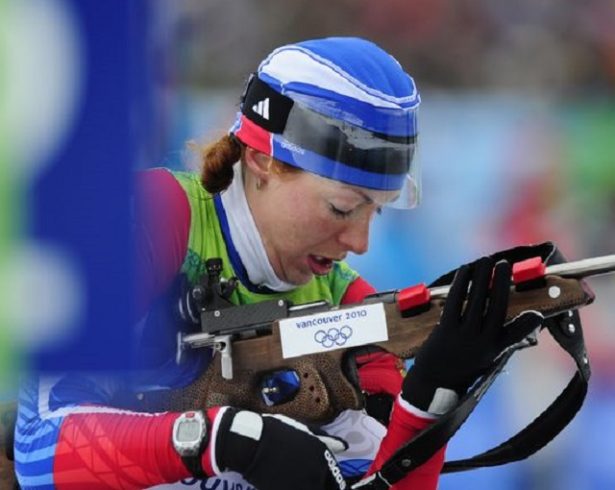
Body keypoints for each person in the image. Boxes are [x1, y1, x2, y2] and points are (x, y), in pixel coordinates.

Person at [13, 37, 542, 490]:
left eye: (375, 212)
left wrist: (431, 399)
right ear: (263, 160)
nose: (359, 242)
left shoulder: (347, 304)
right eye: (342, 208)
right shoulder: (154, 217)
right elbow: (38, 451)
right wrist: (227, 440)